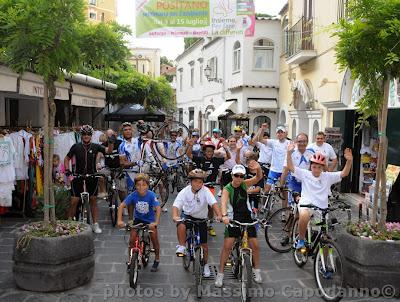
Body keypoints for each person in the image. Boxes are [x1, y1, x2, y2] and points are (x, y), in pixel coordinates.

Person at [285, 142, 353, 251]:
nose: (316, 169)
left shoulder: (327, 177)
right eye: (314, 166)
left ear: (322, 167)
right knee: (304, 215)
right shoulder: (305, 174)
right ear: (310, 166)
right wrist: (288, 153)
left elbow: (344, 173)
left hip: (321, 209)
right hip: (306, 204)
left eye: (319, 167)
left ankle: (324, 265)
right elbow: (290, 167)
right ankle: (301, 240)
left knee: (325, 239)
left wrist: (349, 161)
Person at [215, 163, 263, 288]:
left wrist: (258, 168)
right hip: (233, 218)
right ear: (232, 175)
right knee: (227, 245)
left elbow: (258, 178)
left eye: (241, 176)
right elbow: (223, 202)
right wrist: (224, 215)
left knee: (255, 245)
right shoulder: (227, 189)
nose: (239, 178)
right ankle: (220, 274)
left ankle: (256, 270)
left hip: (247, 217)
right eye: (236, 175)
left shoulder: (244, 184)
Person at [64, 125, 114, 234]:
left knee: (93, 200)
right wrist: (67, 170)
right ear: (81, 135)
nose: (86, 136)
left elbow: (108, 151)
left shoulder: (96, 146)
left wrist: (111, 142)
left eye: (88, 134)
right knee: (74, 201)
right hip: (78, 176)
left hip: (92, 176)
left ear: (91, 135)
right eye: (84, 134)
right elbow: (67, 158)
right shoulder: (76, 146)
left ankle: (95, 224)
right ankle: (68, 224)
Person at [172, 169, 222, 278]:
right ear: (190, 181)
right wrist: (175, 215)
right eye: (195, 181)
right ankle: (181, 246)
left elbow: (214, 203)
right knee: (181, 224)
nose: (197, 184)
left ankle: (205, 265)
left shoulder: (206, 191)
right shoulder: (185, 191)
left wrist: (219, 215)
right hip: (188, 216)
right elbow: (176, 204)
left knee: (204, 245)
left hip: (201, 218)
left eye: (200, 182)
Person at [117, 173, 161, 272]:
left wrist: (156, 222)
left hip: (149, 221)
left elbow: (158, 208)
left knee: (154, 239)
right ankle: (130, 260)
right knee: (132, 239)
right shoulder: (133, 195)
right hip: (138, 220)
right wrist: (119, 220)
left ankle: (157, 258)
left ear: (147, 186)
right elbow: (121, 206)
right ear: (135, 186)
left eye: (144, 185)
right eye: (138, 185)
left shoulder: (151, 195)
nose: (141, 187)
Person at [187, 140, 230, 236]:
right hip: (199, 186)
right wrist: (190, 145)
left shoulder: (216, 160)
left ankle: (210, 224)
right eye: (207, 151)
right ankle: (194, 221)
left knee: (210, 206)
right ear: (204, 152)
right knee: (197, 204)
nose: (209, 153)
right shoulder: (200, 159)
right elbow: (188, 154)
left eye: (211, 151)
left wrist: (226, 148)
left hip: (210, 186)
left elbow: (228, 157)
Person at [255, 123, 290, 208]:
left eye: (282, 132)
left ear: (285, 133)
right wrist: (263, 129)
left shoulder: (289, 143)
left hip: (285, 171)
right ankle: (264, 206)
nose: (280, 134)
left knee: (284, 192)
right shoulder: (273, 142)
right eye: (278, 132)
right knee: (266, 189)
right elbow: (260, 139)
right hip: (274, 170)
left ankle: (283, 212)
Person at [119, 122, 148, 219]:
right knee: (131, 199)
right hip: (130, 174)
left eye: (129, 129)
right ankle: (131, 220)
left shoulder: (137, 140)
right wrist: (135, 163)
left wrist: (142, 125)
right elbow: (122, 163)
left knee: (144, 197)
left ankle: (144, 219)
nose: (127, 131)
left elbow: (146, 134)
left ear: (132, 130)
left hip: (141, 172)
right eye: (125, 130)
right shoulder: (122, 145)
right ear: (122, 132)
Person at [281, 133, 315, 206]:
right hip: (294, 182)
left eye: (304, 141)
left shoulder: (312, 153)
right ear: (296, 142)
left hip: (306, 183)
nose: (302, 143)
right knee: (293, 207)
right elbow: (285, 169)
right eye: (299, 141)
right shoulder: (291, 153)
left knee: (305, 206)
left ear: (307, 142)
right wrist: (281, 184)